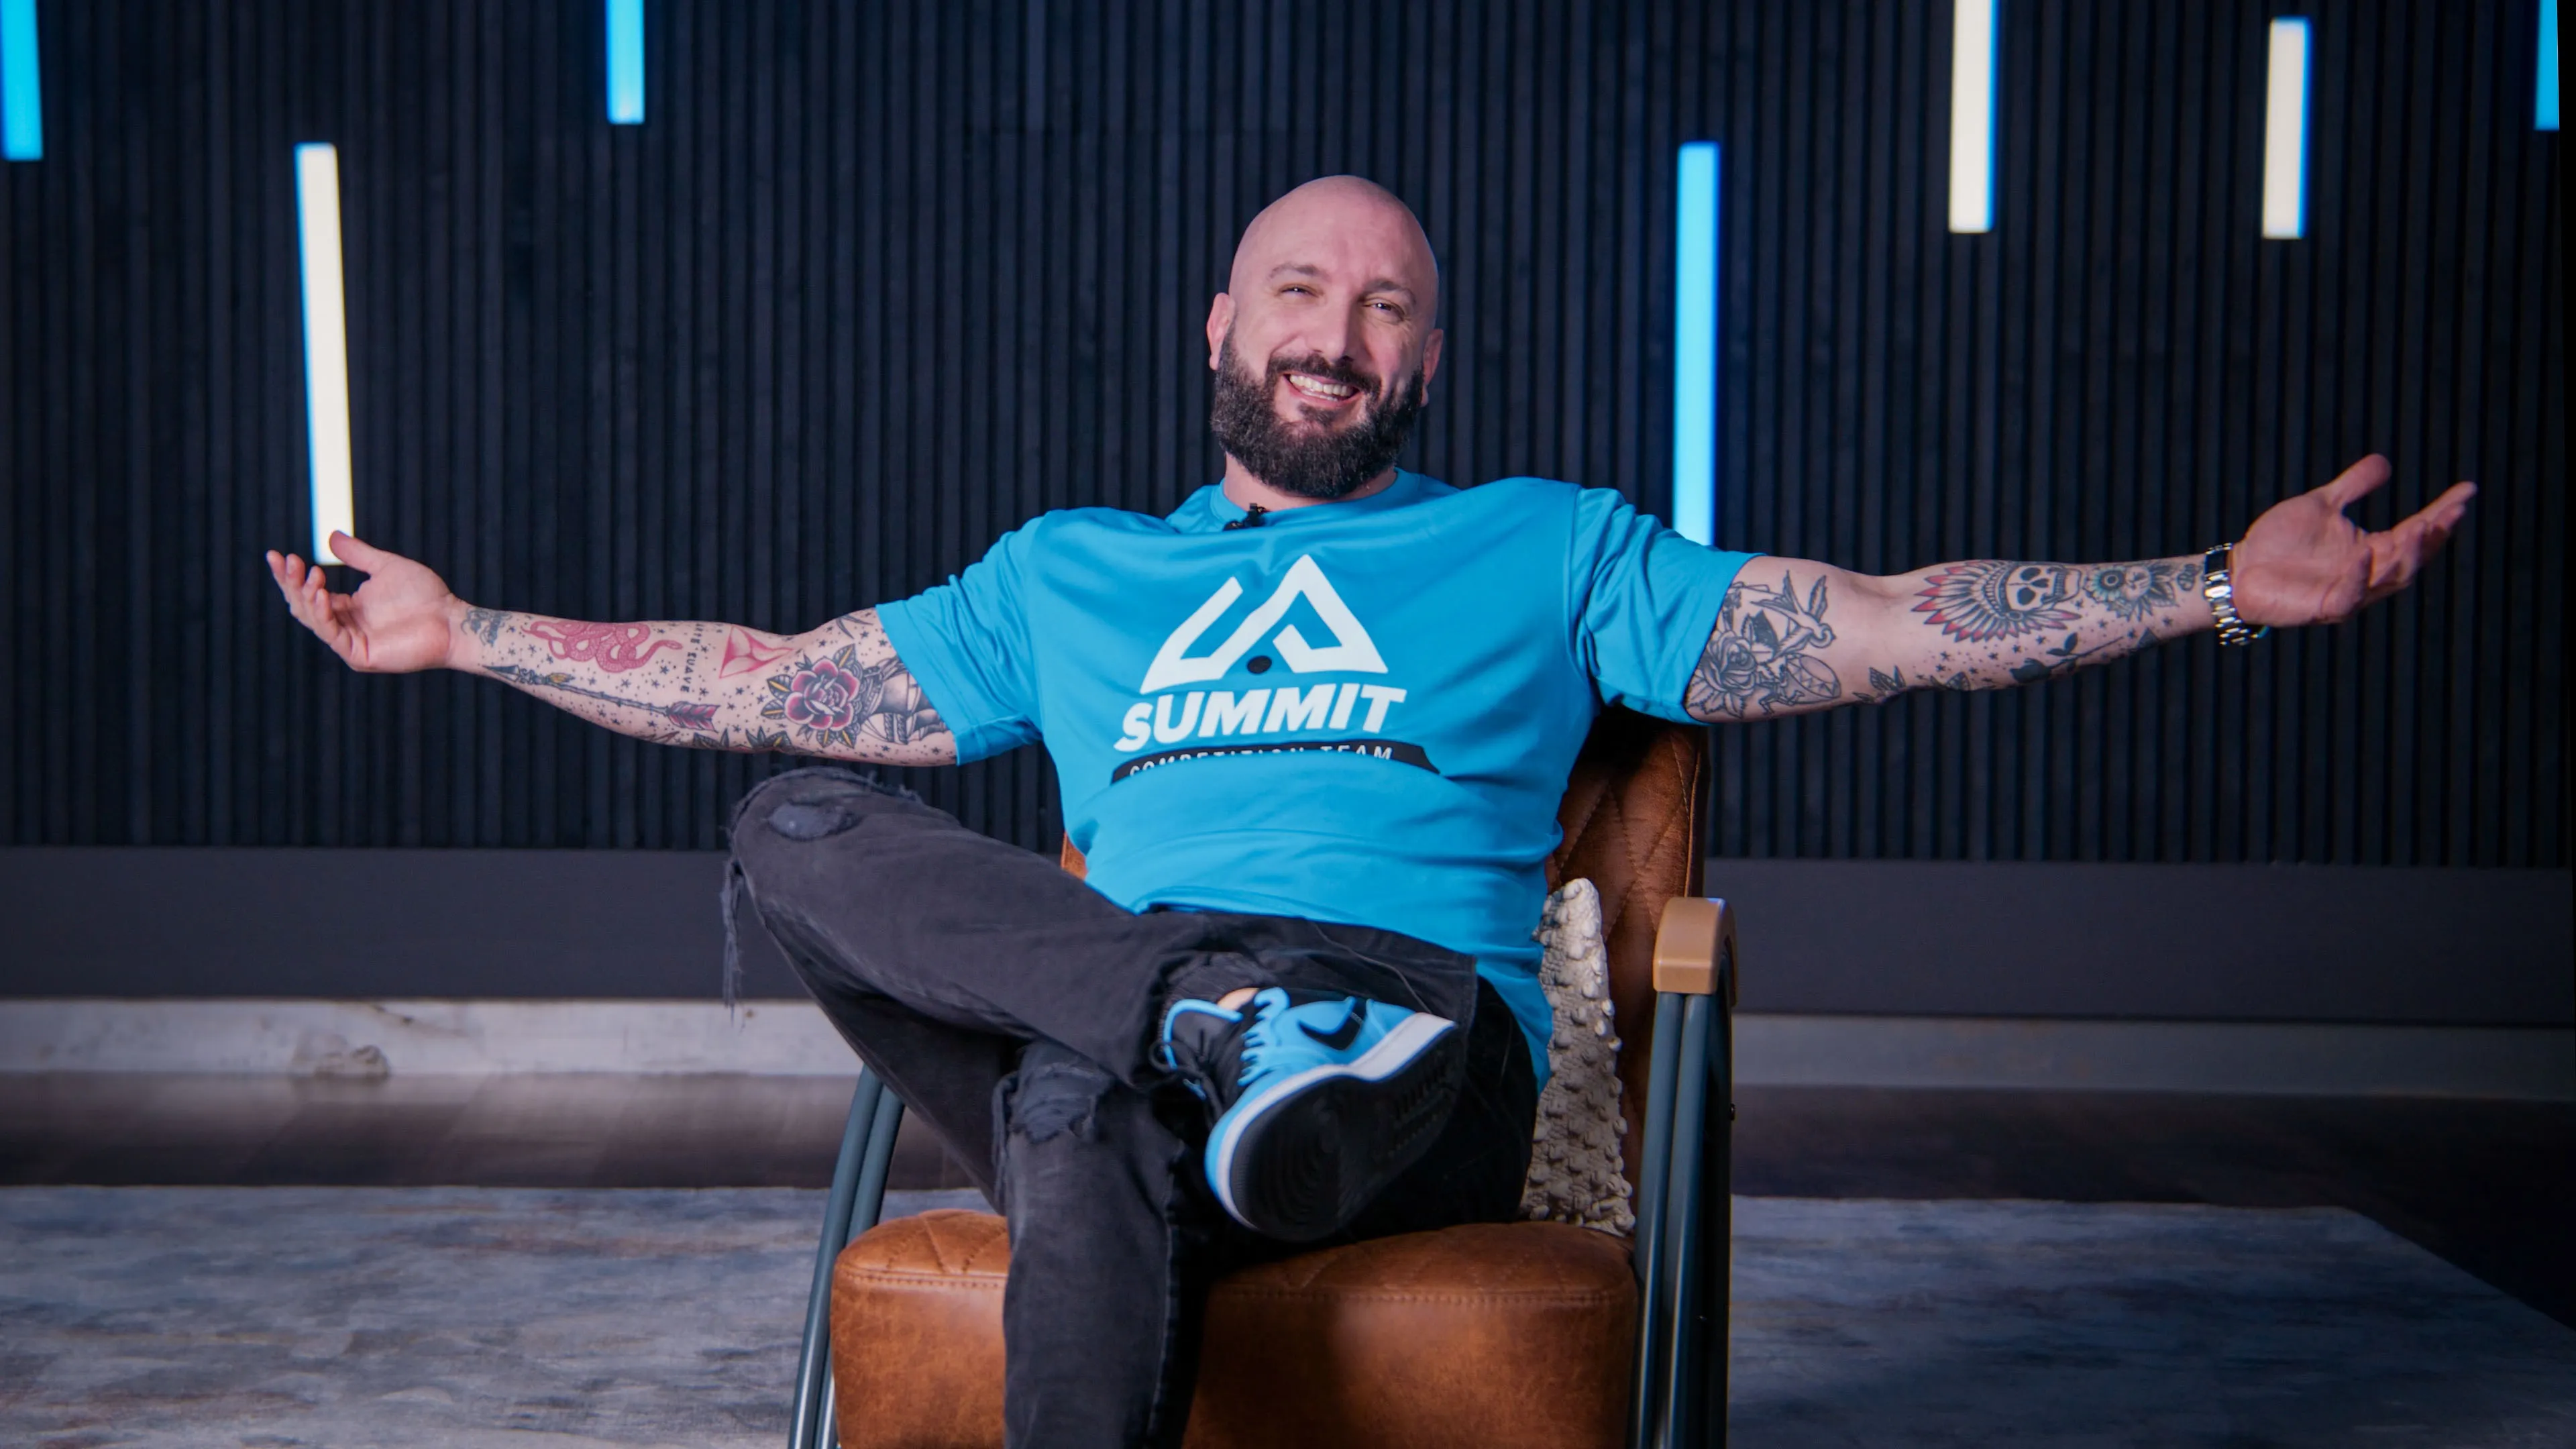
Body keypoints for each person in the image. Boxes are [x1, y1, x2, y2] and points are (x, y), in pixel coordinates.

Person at [268, 175, 2474, 1447]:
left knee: (1068, 1106)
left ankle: (1225, 1035)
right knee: (801, 825)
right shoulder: (1069, 576)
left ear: (1423, 362)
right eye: (1305, 295)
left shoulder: (1545, 546)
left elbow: (1884, 621)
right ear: (1221, 324)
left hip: (1416, 1045)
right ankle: (1206, 1026)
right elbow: (768, 680)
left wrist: (2214, 587)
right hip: (1175, 1036)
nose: (1340, 334)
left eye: (1387, 308)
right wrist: (464, 635)